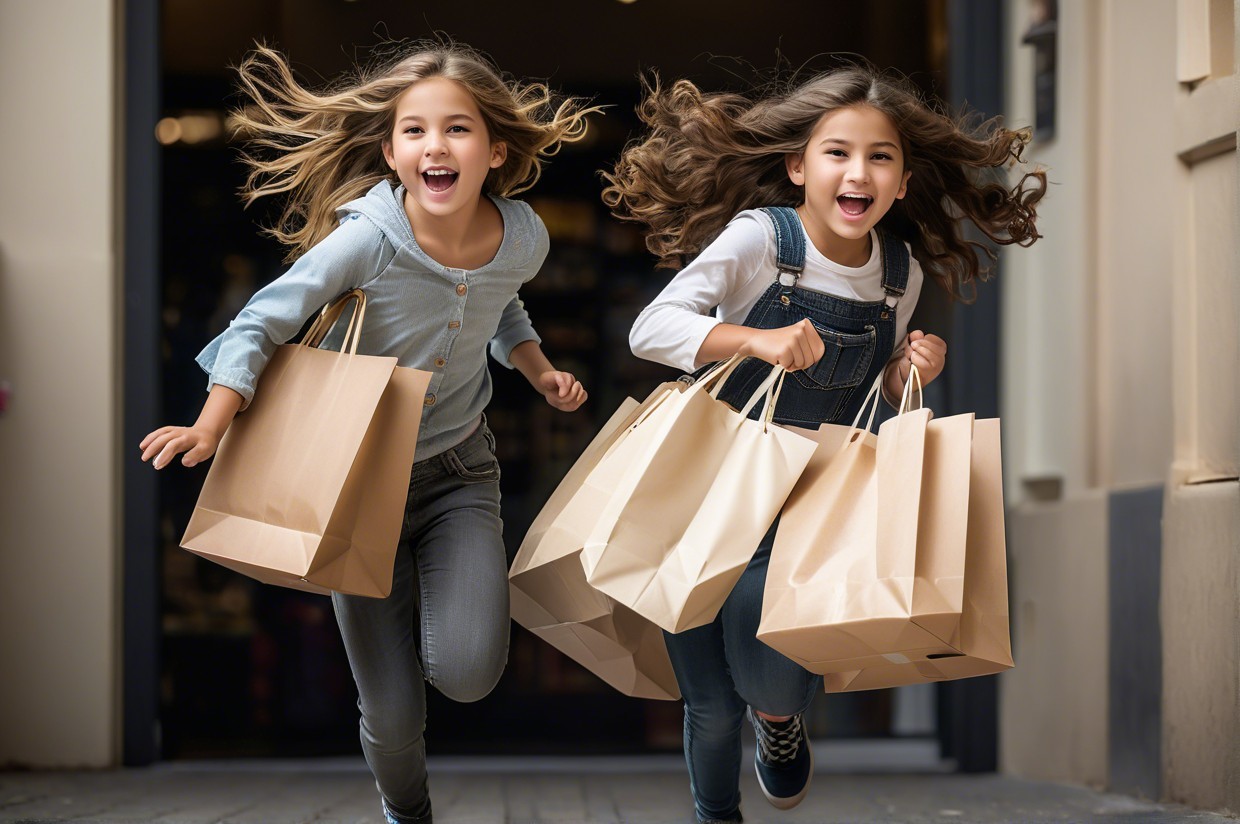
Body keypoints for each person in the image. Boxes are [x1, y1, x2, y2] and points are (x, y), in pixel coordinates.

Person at [140, 41, 597, 824]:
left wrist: (536, 367)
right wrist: (212, 422)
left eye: (457, 130)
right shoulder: (368, 240)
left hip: (459, 475)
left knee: (467, 671)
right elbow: (260, 322)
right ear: (391, 153)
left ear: (494, 149)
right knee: (390, 716)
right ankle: (405, 810)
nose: (436, 147)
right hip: (354, 486)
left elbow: (501, 302)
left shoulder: (524, 237)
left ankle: (434, 602)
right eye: (415, 132)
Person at [603, 64, 1045, 823]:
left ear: (903, 183)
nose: (858, 171)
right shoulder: (760, 241)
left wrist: (910, 366)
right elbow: (652, 330)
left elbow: (871, 395)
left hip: (809, 508)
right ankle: (717, 814)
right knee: (709, 702)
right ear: (797, 166)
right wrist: (755, 339)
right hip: (707, 492)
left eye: (880, 157)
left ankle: (781, 723)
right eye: (837, 152)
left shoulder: (896, 275)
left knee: (769, 685)